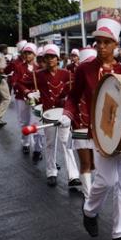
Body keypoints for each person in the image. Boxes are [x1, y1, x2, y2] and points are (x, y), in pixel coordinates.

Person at [61, 17, 121, 240]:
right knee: (106, 180)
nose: (102, 46)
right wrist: (68, 114)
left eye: (107, 42)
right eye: (98, 42)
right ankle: (89, 211)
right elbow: (73, 97)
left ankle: (120, 234)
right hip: (102, 134)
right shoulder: (84, 69)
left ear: (116, 44)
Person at [31, 44, 80, 187]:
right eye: (47, 57)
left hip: (63, 114)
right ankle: (51, 172)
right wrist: (30, 94)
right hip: (47, 114)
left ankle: (73, 176)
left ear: (58, 58)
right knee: (50, 143)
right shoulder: (38, 74)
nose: (49, 59)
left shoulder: (67, 74)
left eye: (52, 57)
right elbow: (23, 84)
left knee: (66, 143)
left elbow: (75, 90)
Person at [70, 46, 98, 199]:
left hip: (97, 130)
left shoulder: (103, 84)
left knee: (95, 165)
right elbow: (65, 98)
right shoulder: (74, 82)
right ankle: (89, 197)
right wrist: (66, 115)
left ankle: (91, 190)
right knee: (86, 163)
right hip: (80, 127)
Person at [12, 42, 37, 154]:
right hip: (21, 98)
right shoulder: (18, 67)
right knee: (23, 122)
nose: (27, 55)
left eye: (29, 53)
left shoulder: (39, 67)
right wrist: (26, 91)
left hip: (35, 98)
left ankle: (37, 148)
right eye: (25, 53)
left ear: (34, 54)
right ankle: (25, 143)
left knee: (35, 122)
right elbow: (15, 82)